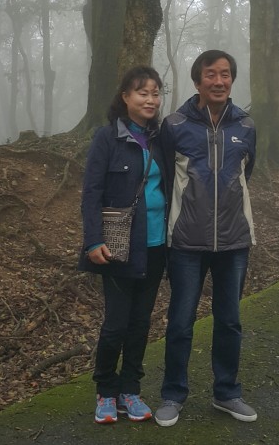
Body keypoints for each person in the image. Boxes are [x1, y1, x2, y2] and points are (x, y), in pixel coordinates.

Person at [154, 50, 257, 427]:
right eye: (211, 74)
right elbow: (167, 178)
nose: (219, 81)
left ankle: (226, 392)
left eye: (225, 74)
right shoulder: (175, 125)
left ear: (232, 80)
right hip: (186, 241)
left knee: (229, 321)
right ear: (197, 81)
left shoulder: (246, 125)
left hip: (234, 241)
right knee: (181, 321)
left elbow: (246, 173)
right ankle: (173, 394)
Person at [78, 66, 166, 425]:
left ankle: (131, 390)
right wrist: (93, 240)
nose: (150, 99)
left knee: (141, 323)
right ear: (125, 97)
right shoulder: (107, 138)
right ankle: (105, 390)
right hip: (118, 246)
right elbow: (91, 192)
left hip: (157, 245)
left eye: (156, 93)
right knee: (116, 323)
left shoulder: (161, 138)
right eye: (142, 92)